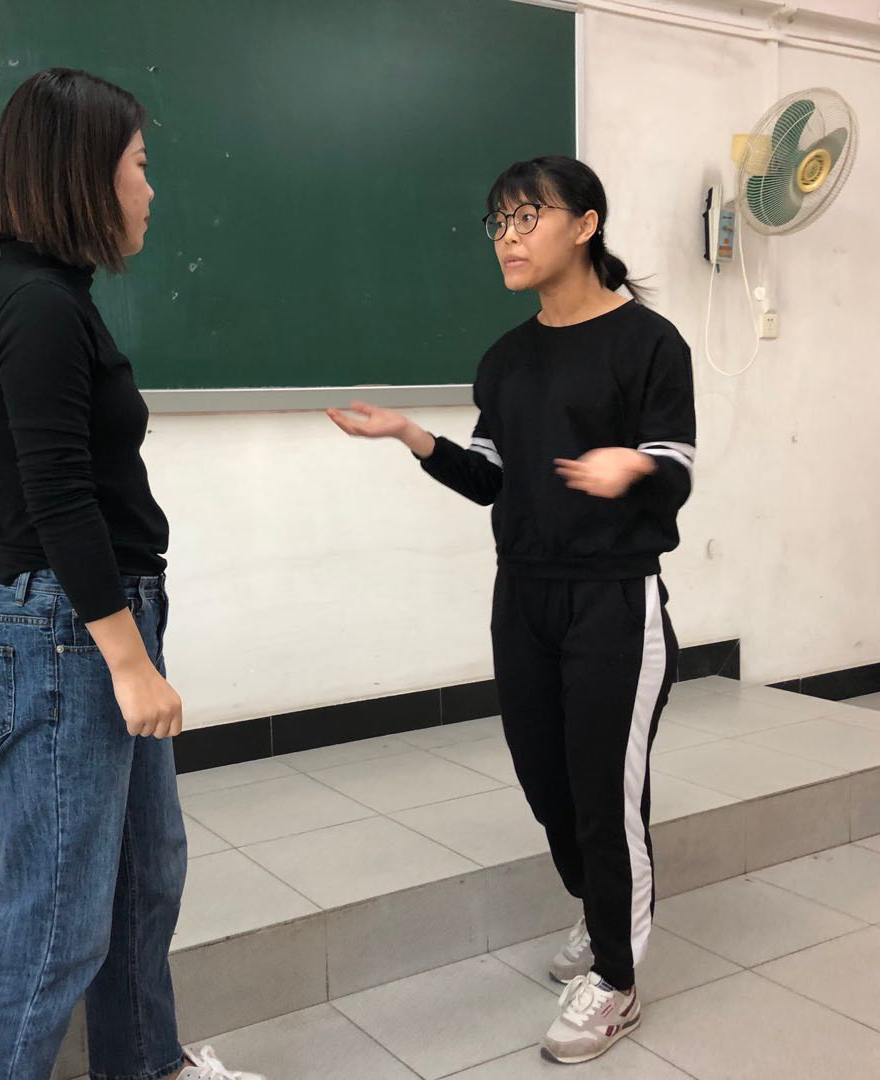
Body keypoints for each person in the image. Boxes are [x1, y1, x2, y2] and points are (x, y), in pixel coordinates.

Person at [329, 155, 696, 1065]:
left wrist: (634, 465)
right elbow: (491, 477)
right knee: (545, 781)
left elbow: (677, 467)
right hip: (522, 595)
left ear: (586, 224)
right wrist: (413, 437)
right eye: (498, 221)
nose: (507, 237)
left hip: (614, 598)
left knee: (606, 795)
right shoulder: (505, 358)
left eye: (528, 216)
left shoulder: (650, 343)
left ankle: (616, 979)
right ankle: (596, 909)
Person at [0, 68, 262, 1080]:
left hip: (93, 622)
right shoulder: (37, 307)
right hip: (71, 636)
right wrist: (129, 663)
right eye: (139, 164)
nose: (149, 188)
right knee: (55, 928)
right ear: (84, 173)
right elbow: (59, 501)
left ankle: (147, 1066)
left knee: (143, 883)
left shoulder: (58, 300)